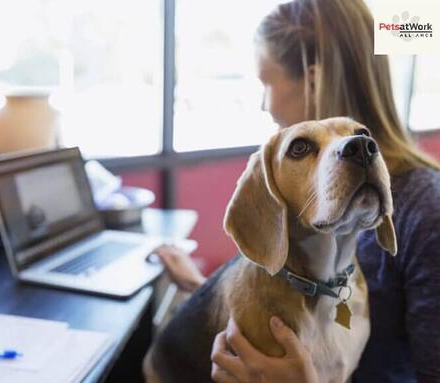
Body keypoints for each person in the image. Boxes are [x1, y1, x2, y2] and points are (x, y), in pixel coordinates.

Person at [153, 0, 440, 382]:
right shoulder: (306, 220)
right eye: (304, 147)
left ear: (313, 80)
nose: (264, 103)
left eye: (265, 83)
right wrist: (207, 297)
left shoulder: (428, 211)